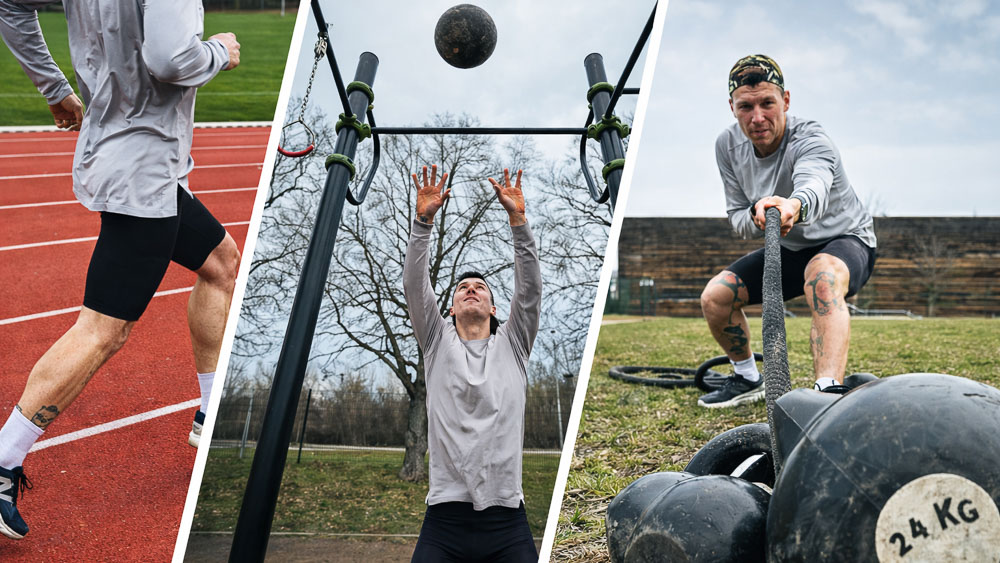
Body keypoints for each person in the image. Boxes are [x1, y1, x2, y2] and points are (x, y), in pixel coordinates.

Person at [0, 0, 242, 539]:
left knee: (221, 262)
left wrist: (53, 88)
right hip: (144, 174)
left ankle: (208, 410)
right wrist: (219, 52)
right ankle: (4, 459)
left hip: (127, 155)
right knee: (104, 331)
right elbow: (172, 60)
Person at [698, 54, 877, 408]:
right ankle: (748, 377)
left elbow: (815, 184)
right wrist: (757, 213)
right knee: (716, 297)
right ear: (732, 108)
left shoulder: (811, 138)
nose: (758, 117)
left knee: (821, 275)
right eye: (746, 106)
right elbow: (736, 215)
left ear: (786, 101)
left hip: (845, 240)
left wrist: (793, 205)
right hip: (787, 247)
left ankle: (828, 393)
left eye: (768, 103)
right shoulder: (727, 147)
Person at [403, 165, 542, 562]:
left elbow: (529, 289)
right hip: (445, 521)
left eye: (480, 287)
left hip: (507, 522)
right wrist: (423, 222)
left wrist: (518, 220)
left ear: (494, 307)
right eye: (463, 287)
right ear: (449, 307)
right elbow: (415, 284)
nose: (471, 289)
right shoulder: (436, 341)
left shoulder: (513, 343)